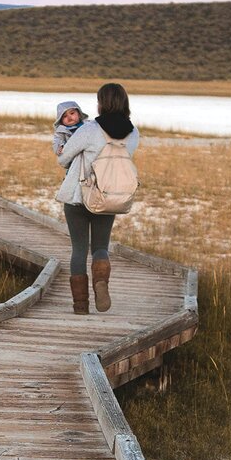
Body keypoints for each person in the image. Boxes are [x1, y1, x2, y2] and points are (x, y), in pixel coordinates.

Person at [55, 83, 139, 314]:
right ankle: (101, 282)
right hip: (109, 196)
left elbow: (63, 160)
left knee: (79, 250)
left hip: (78, 197)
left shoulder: (90, 129)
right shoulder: (133, 132)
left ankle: (80, 305)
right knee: (101, 247)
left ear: (101, 103)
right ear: (124, 102)